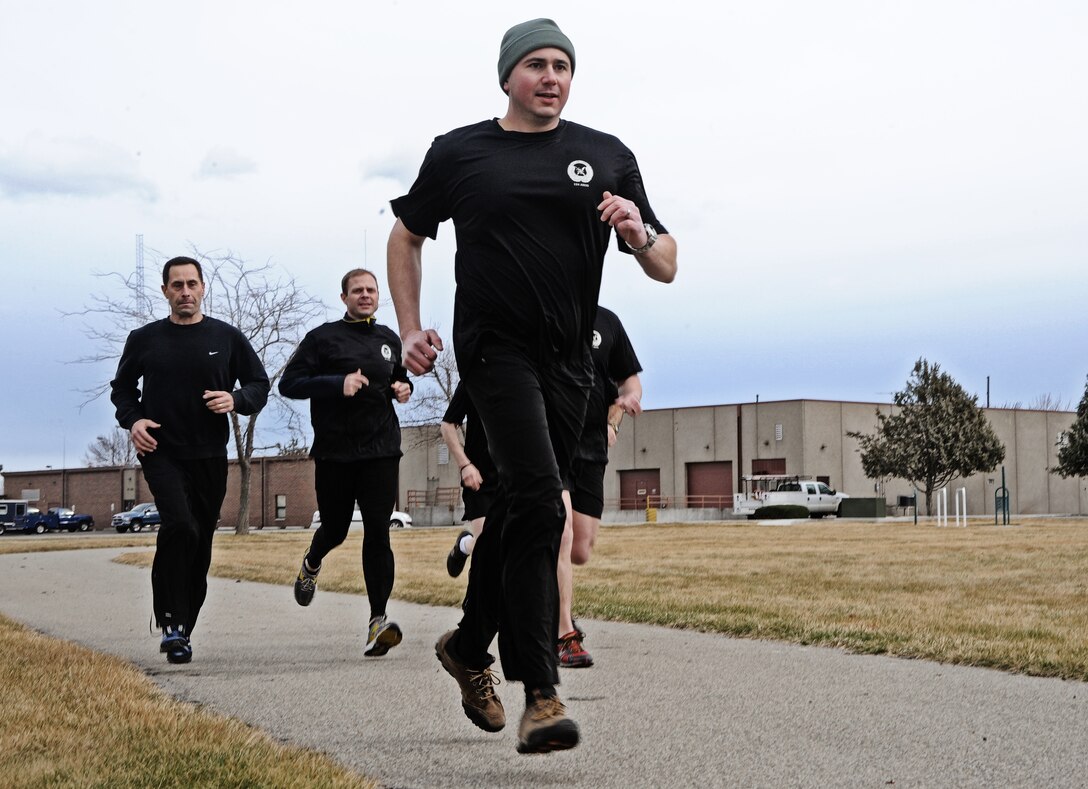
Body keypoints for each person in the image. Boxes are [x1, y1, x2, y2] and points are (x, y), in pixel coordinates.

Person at [387, 18, 677, 754]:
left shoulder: (605, 155)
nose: (552, 77)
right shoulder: (460, 152)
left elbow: (667, 261)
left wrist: (638, 232)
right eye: (537, 65)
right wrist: (412, 326)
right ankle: (541, 693)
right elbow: (406, 234)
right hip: (494, 352)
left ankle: (467, 645)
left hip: (571, 363)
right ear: (508, 75)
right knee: (545, 503)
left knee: (519, 508)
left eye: (562, 66)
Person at [110, 256, 270, 665]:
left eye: (191, 284)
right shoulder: (144, 339)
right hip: (161, 451)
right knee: (179, 525)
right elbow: (123, 389)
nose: (185, 292)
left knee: (200, 542)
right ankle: (170, 623)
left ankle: (184, 628)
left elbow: (259, 384)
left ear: (202, 288)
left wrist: (236, 399)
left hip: (210, 455)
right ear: (165, 291)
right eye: (176, 285)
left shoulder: (227, 337)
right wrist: (134, 420)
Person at [279, 269, 413, 657]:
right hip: (336, 453)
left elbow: (398, 380)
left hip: (381, 451)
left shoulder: (388, 339)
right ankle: (311, 562)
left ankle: (377, 621)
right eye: (358, 291)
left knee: (378, 533)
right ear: (344, 298)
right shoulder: (322, 339)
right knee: (335, 529)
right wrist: (336, 384)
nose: (365, 295)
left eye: (371, 290)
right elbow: (290, 383)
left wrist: (404, 388)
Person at [557, 306, 643, 669]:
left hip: (591, 448)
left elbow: (630, 381)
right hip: (549, 443)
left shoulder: (607, 321)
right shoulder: (542, 311)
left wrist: (623, 408)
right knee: (558, 536)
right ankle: (562, 633)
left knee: (580, 549)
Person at [440, 382, 498, 577]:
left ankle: (465, 544)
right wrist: (465, 465)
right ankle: (476, 605)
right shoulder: (473, 378)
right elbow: (447, 426)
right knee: (488, 548)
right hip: (480, 479)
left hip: (513, 479)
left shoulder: (525, 372)